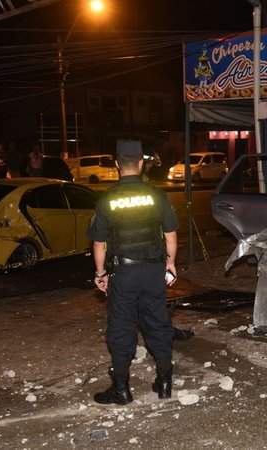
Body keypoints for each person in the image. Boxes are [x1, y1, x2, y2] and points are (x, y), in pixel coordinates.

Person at [87, 139, 179, 405]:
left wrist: (101, 273)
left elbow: (99, 243)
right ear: (140, 163)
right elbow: (170, 234)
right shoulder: (157, 195)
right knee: (158, 325)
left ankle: (122, 390)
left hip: (124, 275)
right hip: (153, 271)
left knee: (122, 328)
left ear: (117, 165)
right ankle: (164, 383)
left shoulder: (107, 199)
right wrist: (170, 264)